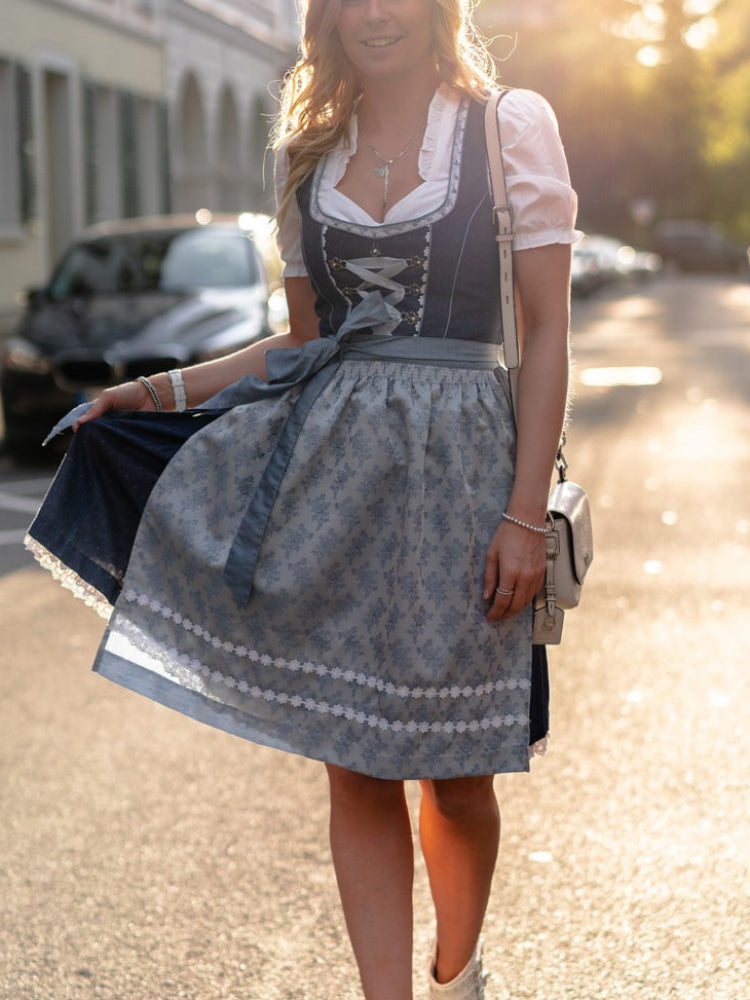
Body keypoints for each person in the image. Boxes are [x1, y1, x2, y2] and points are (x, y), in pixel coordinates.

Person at [26, 0, 579, 997]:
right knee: (355, 762)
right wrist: (153, 393)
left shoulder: (507, 129)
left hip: (464, 472)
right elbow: (298, 341)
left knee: (458, 770)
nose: (376, 13)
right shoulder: (310, 152)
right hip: (331, 476)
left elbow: (546, 337)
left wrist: (524, 512)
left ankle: (459, 974)